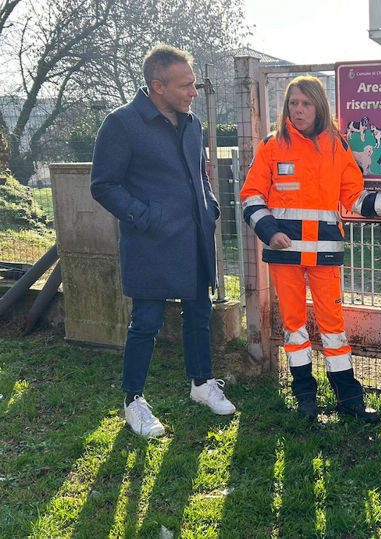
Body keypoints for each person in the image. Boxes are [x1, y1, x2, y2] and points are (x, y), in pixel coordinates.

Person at [240, 75, 381, 423]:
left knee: (334, 327)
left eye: (305, 103)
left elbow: (355, 198)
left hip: (324, 255)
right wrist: (269, 231)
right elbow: (251, 196)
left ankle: (349, 400)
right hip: (285, 256)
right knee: (294, 327)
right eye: (293, 103)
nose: (298, 110)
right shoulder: (271, 145)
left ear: (319, 107)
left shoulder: (336, 146)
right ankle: (305, 398)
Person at [91, 45, 236, 439]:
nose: (194, 92)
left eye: (194, 84)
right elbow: (103, 185)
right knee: (146, 322)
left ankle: (201, 384)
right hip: (150, 242)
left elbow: (199, 172)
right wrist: (147, 216)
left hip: (194, 236)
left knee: (199, 312)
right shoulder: (122, 123)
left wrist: (209, 205)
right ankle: (133, 401)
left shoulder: (192, 123)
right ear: (158, 86)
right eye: (185, 85)